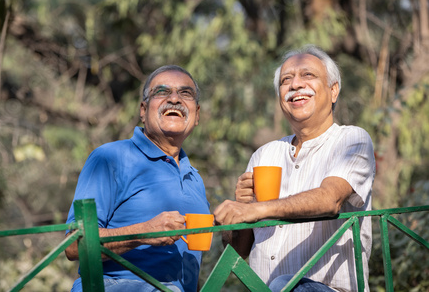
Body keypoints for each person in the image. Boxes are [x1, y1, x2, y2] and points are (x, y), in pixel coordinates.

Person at [214, 45, 375, 291]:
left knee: (284, 284)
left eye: (308, 75)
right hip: (265, 288)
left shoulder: (352, 139)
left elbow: (329, 200)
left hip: (329, 289)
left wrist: (258, 209)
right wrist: (243, 209)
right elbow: (238, 251)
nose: (295, 85)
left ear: (333, 91)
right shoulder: (264, 154)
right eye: (285, 80)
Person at [64, 65, 210, 292]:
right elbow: (74, 245)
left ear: (197, 114)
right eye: (162, 92)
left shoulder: (195, 179)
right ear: (143, 110)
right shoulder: (109, 158)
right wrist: (145, 232)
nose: (174, 99)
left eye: (185, 93)